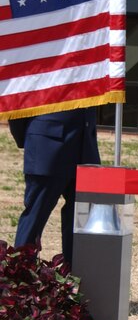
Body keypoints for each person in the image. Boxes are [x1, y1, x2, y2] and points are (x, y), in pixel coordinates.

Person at [9, 108, 101, 263]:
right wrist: (29, 136)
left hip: (84, 146)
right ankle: (20, 275)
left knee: (81, 217)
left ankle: (74, 274)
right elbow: (20, 99)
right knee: (36, 214)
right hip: (48, 144)